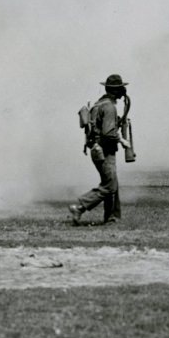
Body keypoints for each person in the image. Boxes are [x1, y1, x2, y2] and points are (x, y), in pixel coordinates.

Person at [68, 74, 132, 225]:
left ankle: (112, 218)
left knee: (112, 182)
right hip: (104, 150)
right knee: (110, 185)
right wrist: (122, 141)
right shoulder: (109, 107)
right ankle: (80, 206)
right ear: (116, 91)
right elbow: (108, 133)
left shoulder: (99, 104)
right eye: (121, 88)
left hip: (98, 149)